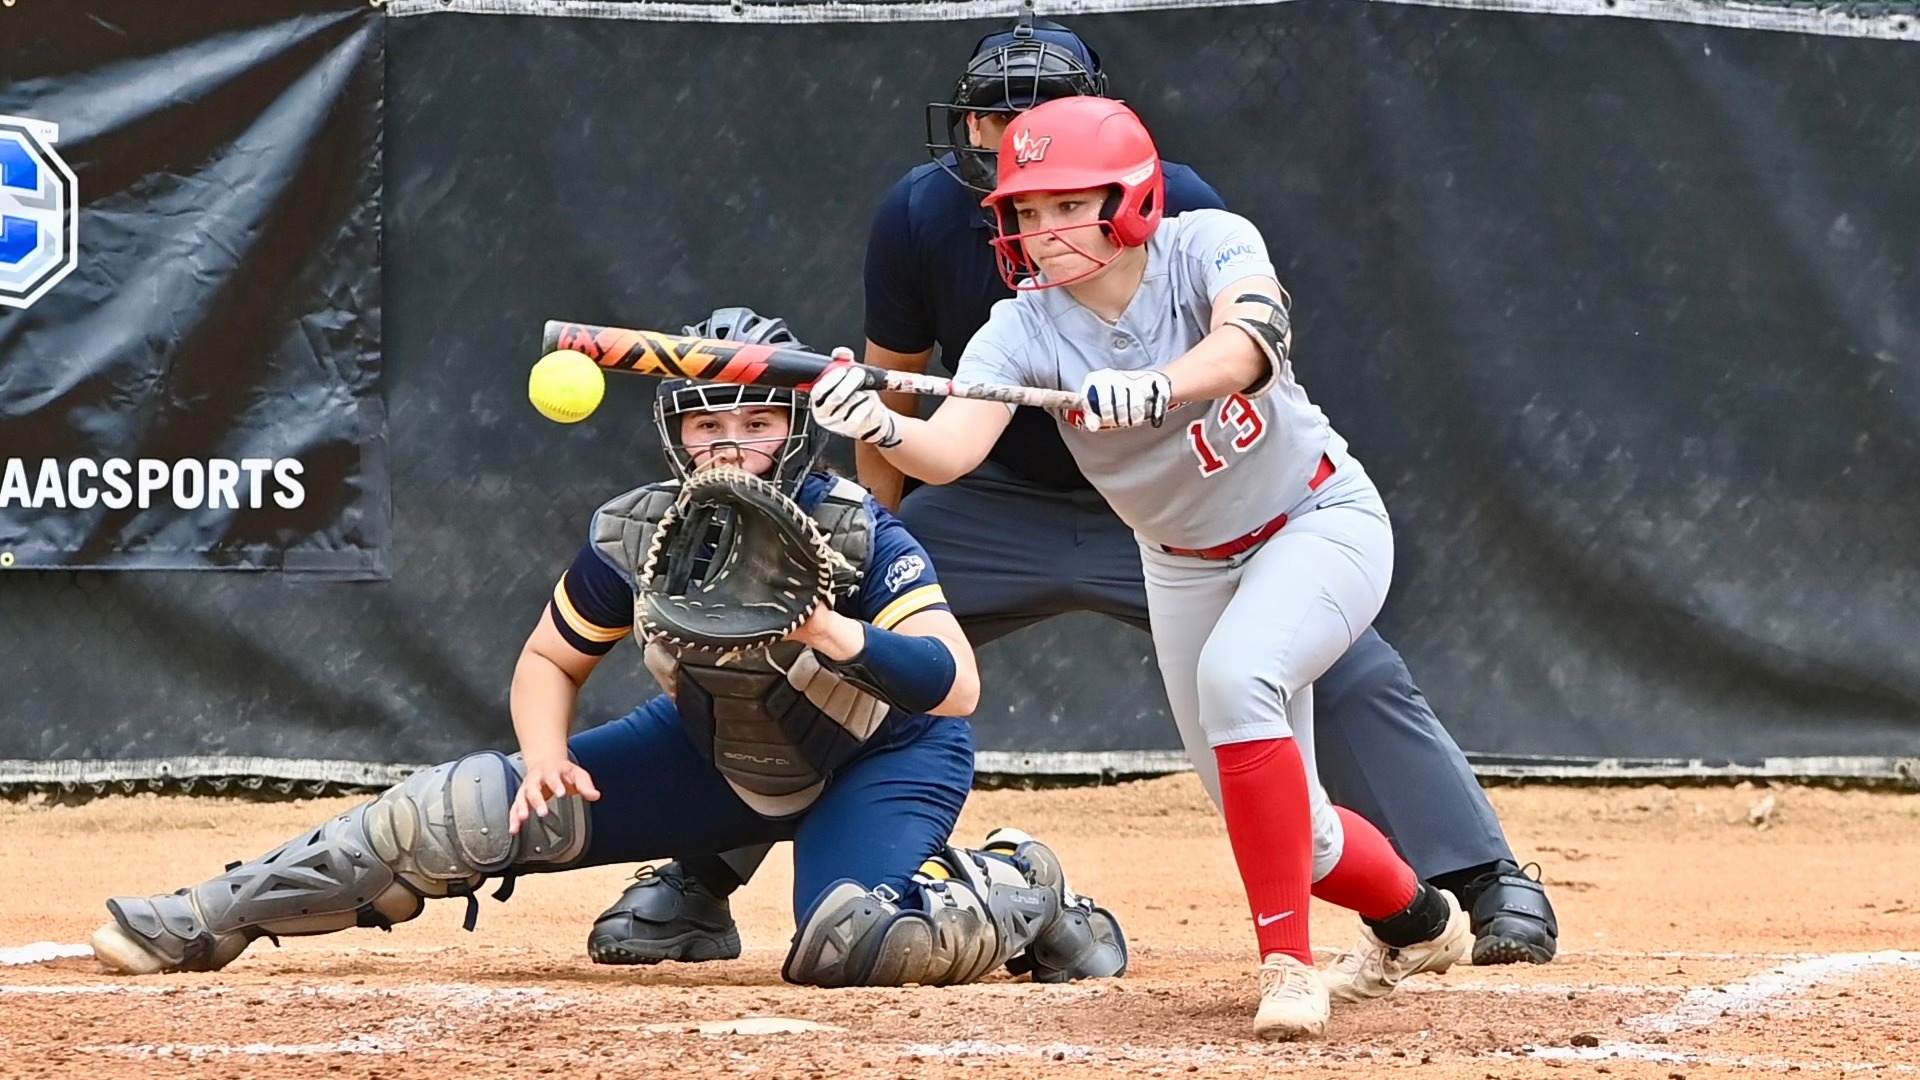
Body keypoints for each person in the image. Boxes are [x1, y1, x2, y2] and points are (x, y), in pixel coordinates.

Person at [588, 17, 1556, 973]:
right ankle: (700, 877)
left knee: (1329, 666)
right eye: (994, 120)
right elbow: (909, 387)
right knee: (827, 636)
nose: (1027, 166)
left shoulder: (1186, 213)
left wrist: (1165, 384)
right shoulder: (931, 220)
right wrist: (873, 471)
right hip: (1001, 502)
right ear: (965, 130)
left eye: (1047, 125)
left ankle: (1476, 876)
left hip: (1200, 495)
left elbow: (1248, 337)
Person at [87, 306, 1128, 991]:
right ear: (676, 432)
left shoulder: (853, 526)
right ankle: (202, 917)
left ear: (792, 430)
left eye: (756, 421)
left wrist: (829, 628)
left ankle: (1019, 884)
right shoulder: (640, 533)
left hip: (884, 756)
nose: (729, 445)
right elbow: (552, 660)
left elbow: (956, 686)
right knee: (448, 814)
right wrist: (545, 756)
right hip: (718, 758)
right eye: (707, 424)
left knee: (852, 946)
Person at [811, 96, 1465, 1040]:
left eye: (1066, 206)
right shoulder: (1022, 329)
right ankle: (1421, 923)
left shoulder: (1211, 244)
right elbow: (949, 452)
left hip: (1316, 520)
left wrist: (1167, 379)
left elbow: (1252, 341)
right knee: (1294, 828)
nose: (1043, 233)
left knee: (1240, 681)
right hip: (1184, 565)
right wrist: (880, 425)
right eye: (1026, 215)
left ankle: (1288, 965)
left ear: (1133, 199)